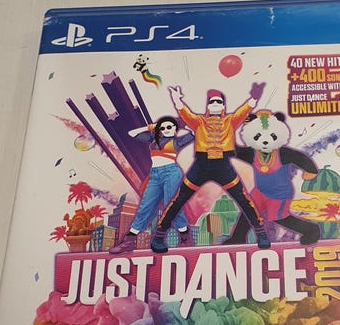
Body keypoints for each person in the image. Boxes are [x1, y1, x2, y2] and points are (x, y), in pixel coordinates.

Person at [150, 83, 270, 253]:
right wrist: (177, 100)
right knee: (179, 199)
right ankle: (159, 236)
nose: (215, 104)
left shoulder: (230, 121)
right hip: (201, 166)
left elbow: (243, 111)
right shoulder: (199, 121)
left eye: (218, 101)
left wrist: (254, 98)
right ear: (207, 105)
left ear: (223, 105)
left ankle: (261, 233)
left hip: (223, 167)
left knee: (243, 199)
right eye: (212, 101)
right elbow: (185, 114)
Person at [109, 116, 194, 254]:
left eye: (169, 127)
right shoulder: (153, 139)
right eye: (163, 128)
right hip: (155, 175)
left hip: (171, 173)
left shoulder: (178, 141)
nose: (166, 130)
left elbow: (195, 132)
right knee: (145, 206)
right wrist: (150, 127)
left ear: (175, 128)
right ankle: (128, 242)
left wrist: (185, 124)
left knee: (171, 205)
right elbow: (132, 133)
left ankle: (185, 237)